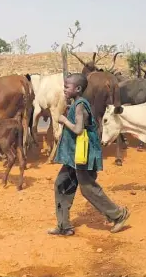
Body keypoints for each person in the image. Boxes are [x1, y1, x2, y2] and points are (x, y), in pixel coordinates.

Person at [48, 73, 130, 236]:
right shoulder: (76, 104)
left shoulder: (80, 107)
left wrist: (63, 120)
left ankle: (119, 215)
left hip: (82, 154)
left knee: (88, 188)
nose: (64, 89)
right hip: (74, 155)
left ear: (77, 89)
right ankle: (64, 226)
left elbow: (78, 130)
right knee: (62, 184)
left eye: (67, 87)